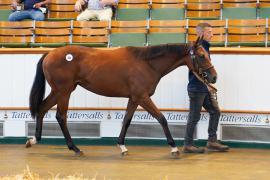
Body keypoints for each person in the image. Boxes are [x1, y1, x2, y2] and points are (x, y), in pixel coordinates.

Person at [183, 23, 229, 153]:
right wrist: (208, 85)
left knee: (215, 111)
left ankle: (212, 141)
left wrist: (208, 86)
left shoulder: (205, 47)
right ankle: (188, 144)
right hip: (196, 89)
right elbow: (195, 71)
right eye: (209, 32)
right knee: (194, 117)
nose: (212, 34)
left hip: (203, 88)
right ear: (201, 33)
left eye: (211, 31)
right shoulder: (197, 48)